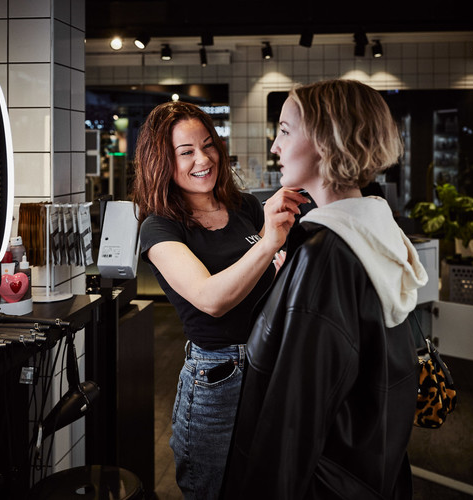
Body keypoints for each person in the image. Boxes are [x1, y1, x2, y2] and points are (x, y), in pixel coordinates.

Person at [222, 80, 429, 499]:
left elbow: (292, 420)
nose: (275, 146)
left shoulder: (326, 255)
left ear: (326, 140)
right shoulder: (374, 230)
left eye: (284, 130)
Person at [132, 100, 308, 500]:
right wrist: (267, 245)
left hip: (271, 362)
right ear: (161, 161)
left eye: (208, 145)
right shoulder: (159, 228)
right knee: (214, 490)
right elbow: (211, 299)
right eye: (186, 151)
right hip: (218, 378)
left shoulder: (244, 206)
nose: (203, 159)